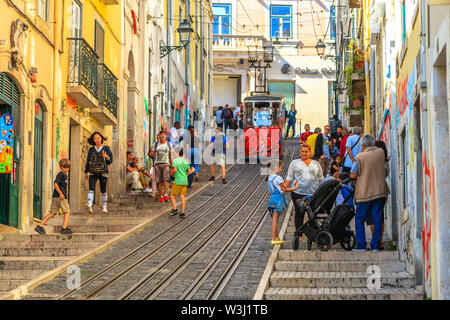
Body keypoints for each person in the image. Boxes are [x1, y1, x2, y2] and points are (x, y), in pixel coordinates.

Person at [350, 135, 389, 252]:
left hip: (364, 193)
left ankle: (361, 245)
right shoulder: (381, 152)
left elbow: (352, 174)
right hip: (380, 192)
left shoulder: (359, 157)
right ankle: (375, 245)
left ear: (363, 145)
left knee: (359, 219)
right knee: (377, 219)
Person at [284, 144, 323, 242]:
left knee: (313, 214)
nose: (304, 153)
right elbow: (290, 177)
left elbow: (320, 178)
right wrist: (284, 186)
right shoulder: (294, 163)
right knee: (299, 214)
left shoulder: (316, 164)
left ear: (310, 152)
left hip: (313, 194)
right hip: (298, 193)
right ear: (300, 152)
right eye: (302, 151)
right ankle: (299, 234)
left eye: (306, 151)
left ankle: (314, 235)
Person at [364, 140, 390, 250]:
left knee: (371, 218)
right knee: (379, 217)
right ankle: (380, 242)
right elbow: (386, 174)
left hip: (370, 191)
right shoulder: (385, 162)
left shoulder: (370, 160)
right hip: (382, 191)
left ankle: (374, 243)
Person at [35, 159, 72, 235]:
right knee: (67, 211)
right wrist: (61, 194)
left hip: (55, 197)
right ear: (60, 167)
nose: (66, 169)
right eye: (64, 167)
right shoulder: (61, 174)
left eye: (68, 167)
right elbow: (55, 184)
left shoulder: (64, 175)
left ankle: (40, 226)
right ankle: (64, 228)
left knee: (52, 213)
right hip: (60, 197)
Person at [267, 160, 299, 245]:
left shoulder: (270, 177)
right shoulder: (278, 178)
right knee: (275, 220)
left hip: (272, 198)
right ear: (275, 168)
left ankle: (276, 237)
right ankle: (274, 238)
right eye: (280, 168)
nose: (281, 170)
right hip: (278, 199)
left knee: (275, 219)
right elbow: (285, 189)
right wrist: (295, 187)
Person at [84, 131, 113, 213]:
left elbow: (110, 161)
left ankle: (104, 206)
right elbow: (88, 161)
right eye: (95, 138)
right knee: (91, 188)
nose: (97, 140)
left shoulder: (106, 148)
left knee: (103, 189)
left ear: (101, 138)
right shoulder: (91, 149)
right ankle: (90, 204)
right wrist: (86, 172)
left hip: (103, 172)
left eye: (98, 138)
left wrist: (106, 156)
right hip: (93, 172)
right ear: (93, 140)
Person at [169, 148, 195, 218]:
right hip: (184, 181)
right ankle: (182, 212)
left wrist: (171, 173)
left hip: (177, 181)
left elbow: (174, 170)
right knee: (182, 196)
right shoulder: (185, 161)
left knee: (172, 195)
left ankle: (175, 209)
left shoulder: (175, 161)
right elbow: (189, 171)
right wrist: (191, 171)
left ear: (177, 153)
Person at [151, 130, 174, 203]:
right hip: (157, 164)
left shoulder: (169, 145)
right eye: (160, 137)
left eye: (163, 136)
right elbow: (152, 153)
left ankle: (166, 194)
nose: (161, 138)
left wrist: (172, 166)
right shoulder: (155, 144)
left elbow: (171, 156)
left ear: (165, 137)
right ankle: (161, 195)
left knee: (165, 179)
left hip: (166, 163)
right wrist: (153, 155)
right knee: (159, 181)